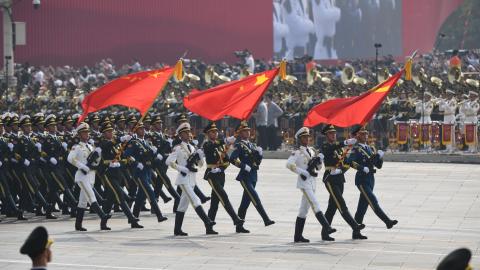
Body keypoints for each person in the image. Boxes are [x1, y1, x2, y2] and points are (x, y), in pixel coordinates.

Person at [347, 125, 398, 240]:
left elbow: (378, 166)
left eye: (366, 133)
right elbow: (350, 162)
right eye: (362, 134)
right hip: (361, 179)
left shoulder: (371, 148)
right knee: (373, 200)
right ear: (357, 136)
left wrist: (380, 156)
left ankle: (356, 232)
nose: (365, 135)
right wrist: (361, 168)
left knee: (362, 208)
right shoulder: (356, 149)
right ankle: (387, 221)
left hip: (371, 179)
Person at [286, 127, 336, 243]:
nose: (307, 139)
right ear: (299, 139)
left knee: (303, 210)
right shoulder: (297, 152)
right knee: (315, 204)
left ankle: (297, 236)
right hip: (304, 183)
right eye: (304, 137)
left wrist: (319, 162)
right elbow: (288, 164)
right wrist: (302, 172)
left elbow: (318, 167)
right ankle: (327, 227)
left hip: (312, 182)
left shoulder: (313, 151)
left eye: (308, 137)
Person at [165, 122, 216, 236]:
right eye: (185, 133)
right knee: (196, 200)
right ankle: (207, 222)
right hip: (183, 179)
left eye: (189, 132)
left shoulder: (193, 147)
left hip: (192, 179)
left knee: (182, 206)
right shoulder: (178, 148)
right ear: (180, 135)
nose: (188, 134)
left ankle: (177, 230)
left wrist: (200, 154)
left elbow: (200, 164)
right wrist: (181, 168)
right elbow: (168, 161)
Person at [320, 124, 364, 241]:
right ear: (326, 135)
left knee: (332, 207)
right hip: (330, 179)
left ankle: (325, 232)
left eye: (334, 133)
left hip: (339, 178)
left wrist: (356, 167)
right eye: (330, 133)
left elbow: (346, 162)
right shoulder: (325, 145)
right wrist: (345, 142)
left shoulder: (339, 149)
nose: (333, 135)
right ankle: (355, 226)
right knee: (341, 203)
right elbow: (331, 149)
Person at [230, 120, 275, 233]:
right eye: (245, 131)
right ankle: (266, 219)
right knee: (255, 197)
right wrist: (243, 166)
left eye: (248, 131)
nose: (247, 133)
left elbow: (257, 163)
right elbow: (232, 159)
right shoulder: (239, 145)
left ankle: (239, 226)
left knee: (245, 202)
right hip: (245, 176)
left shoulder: (253, 145)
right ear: (240, 133)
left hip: (254, 176)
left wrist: (260, 155)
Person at [67, 122, 111, 231]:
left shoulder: (91, 146)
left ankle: (78, 225)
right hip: (82, 176)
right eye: (84, 133)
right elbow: (70, 159)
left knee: (82, 202)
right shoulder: (76, 147)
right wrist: (82, 166)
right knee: (92, 197)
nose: (87, 134)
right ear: (79, 135)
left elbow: (97, 160)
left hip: (91, 176)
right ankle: (103, 216)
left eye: (87, 132)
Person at [201, 122, 244, 234]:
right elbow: (211, 147)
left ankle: (209, 226)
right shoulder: (207, 144)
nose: (215, 133)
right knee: (223, 196)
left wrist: (240, 165)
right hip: (212, 175)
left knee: (215, 202)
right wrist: (226, 140)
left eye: (216, 132)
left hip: (220, 175)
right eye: (212, 132)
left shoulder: (220, 145)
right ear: (207, 134)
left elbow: (227, 160)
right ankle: (235, 219)